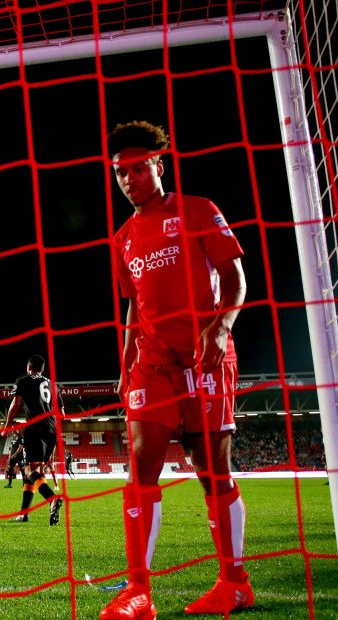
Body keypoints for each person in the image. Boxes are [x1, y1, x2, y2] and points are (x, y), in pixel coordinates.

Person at [101, 121, 250, 619]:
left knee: (212, 471)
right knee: (140, 466)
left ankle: (234, 582)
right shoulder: (122, 239)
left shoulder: (197, 210)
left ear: (159, 166)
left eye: (139, 168)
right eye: (121, 172)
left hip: (204, 358)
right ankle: (138, 592)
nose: (129, 180)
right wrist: (125, 365)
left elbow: (234, 277)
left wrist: (222, 327)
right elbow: (132, 309)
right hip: (152, 364)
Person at [1, 354, 64, 526]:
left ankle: (52, 499)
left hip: (35, 427)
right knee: (33, 472)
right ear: (42, 369)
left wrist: (7, 426)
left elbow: (16, 404)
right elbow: (62, 414)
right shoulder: (52, 384)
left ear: (29, 367)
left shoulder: (24, 380)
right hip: (52, 430)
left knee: (29, 472)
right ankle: (24, 514)